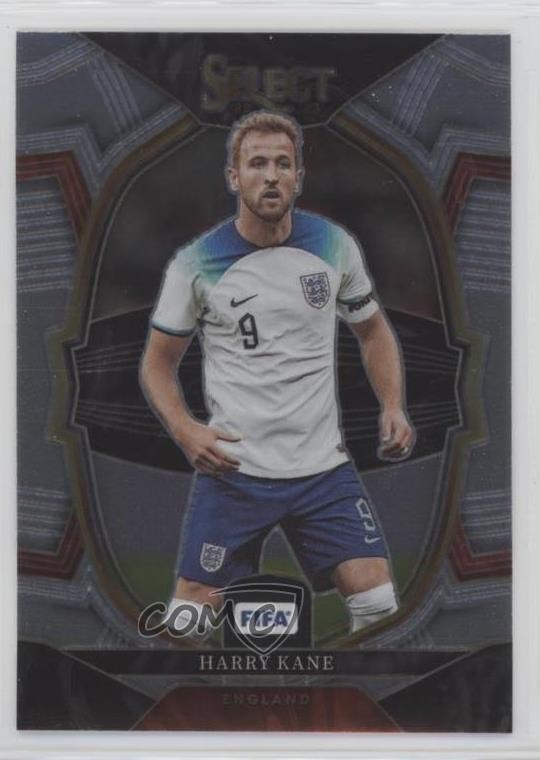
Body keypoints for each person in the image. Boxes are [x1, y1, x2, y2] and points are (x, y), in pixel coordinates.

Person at [140, 110, 414, 638]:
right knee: (187, 623)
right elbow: (157, 362)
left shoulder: (334, 245)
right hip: (235, 472)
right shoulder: (195, 263)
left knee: (378, 602)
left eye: (283, 164)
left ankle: (338, 689)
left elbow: (373, 331)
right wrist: (184, 428)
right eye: (257, 163)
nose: (271, 175)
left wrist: (392, 405)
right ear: (234, 177)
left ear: (298, 177)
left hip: (321, 470)